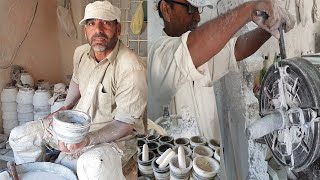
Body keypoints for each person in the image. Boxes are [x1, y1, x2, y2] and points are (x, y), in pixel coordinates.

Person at [9, 1, 147, 179]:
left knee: (94, 164)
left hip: (117, 136)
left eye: (106, 23)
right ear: (85, 31)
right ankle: (41, 173)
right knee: (20, 136)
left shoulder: (131, 68)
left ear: (118, 29)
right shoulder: (81, 53)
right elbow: (76, 81)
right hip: (76, 126)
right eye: (91, 23)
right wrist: (65, 108)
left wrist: (87, 140)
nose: (98, 29)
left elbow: (125, 124)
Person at [148, 0, 295, 140]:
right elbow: (191, 47)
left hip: (208, 160)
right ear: (166, 9)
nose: (198, 17)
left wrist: (269, 26)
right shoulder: (159, 53)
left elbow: (236, 49)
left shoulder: (201, 53)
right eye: (191, 8)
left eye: (199, 9)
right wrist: (250, 9)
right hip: (173, 163)